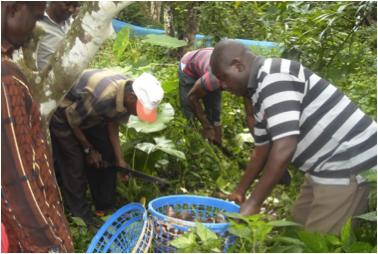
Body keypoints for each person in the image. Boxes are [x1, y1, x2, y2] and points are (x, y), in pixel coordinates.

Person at [210, 39, 376, 235]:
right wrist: (239, 191)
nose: (223, 85)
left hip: (348, 164)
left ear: (238, 65)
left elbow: (285, 146)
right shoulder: (257, 93)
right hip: (320, 167)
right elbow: (261, 149)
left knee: (318, 242)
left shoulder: (274, 76)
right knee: (296, 230)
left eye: (223, 77)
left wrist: (254, 202)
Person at [49, 70, 164, 229]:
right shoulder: (101, 97)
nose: (139, 114)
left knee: (105, 152)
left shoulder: (128, 92)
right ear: (131, 97)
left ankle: (104, 205)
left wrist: (119, 159)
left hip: (89, 114)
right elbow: (71, 117)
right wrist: (88, 150)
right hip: (65, 113)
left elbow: (111, 121)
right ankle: (82, 219)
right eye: (140, 109)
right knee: (74, 165)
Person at [1, 1, 74, 253]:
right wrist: (48, 243)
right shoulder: (5, 80)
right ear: (14, 9)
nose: (35, 28)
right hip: (23, 233)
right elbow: (16, 176)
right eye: (35, 17)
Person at [179, 48, 223, 145]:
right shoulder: (215, 80)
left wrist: (219, 148)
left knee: (213, 110)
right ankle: (192, 147)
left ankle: (217, 147)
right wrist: (206, 126)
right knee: (188, 109)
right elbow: (191, 98)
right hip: (189, 66)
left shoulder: (234, 78)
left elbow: (215, 113)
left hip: (207, 64)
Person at [36, 1, 79, 71]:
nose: (71, 10)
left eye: (74, 6)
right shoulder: (36, 24)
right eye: (67, 4)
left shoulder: (73, 24)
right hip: (43, 80)